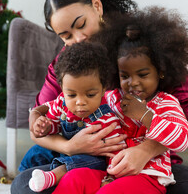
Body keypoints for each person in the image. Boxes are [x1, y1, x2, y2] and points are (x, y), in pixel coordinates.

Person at [11, 0, 188, 194]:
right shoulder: (67, 62)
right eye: (66, 35)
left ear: (96, 6)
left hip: (147, 162)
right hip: (85, 163)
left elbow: (183, 118)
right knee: (22, 184)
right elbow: (44, 117)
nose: (77, 39)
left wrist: (145, 150)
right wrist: (71, 147)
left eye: (81, 25)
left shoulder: (138, 45)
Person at [53, 8, 188, 194]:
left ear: (161, 71)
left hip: (148, 179)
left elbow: (181, 139)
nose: (133, 82)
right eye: (124, 75)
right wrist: (43, 115)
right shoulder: (112, 97)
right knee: (74, 179)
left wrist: (144, 115)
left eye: (143, 74)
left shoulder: (165, 102)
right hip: (108, 174)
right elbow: (78, 104)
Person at [27, 42, 126, 192]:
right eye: (72, 95)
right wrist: (45, 126)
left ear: (103, 88)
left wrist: (111, 178)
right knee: (36, 152)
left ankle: (53, 176)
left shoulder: (107, 117)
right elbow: (54, 124)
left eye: (90, 95)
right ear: (62, 87)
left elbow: (115, 150)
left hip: (93, 160)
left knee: (82, 161)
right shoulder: (60, 103)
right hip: (65, 149)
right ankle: (25, 175)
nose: (80, 102)